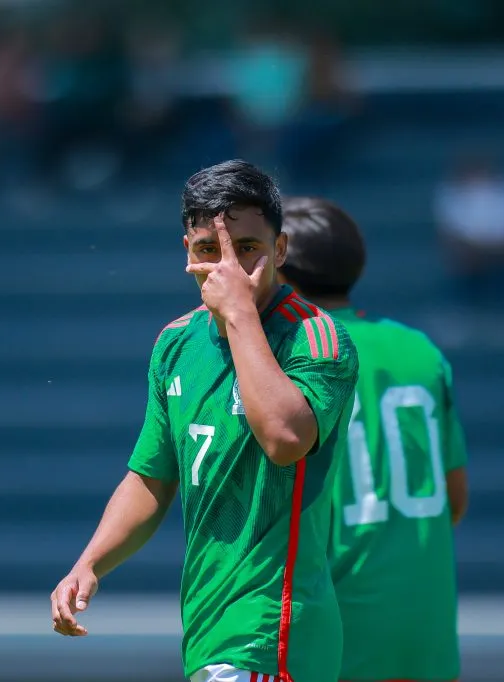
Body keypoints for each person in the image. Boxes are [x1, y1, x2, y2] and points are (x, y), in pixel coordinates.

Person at [50, 160, 359, 682]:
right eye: (209, 250)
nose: (228, 270)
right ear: (187, 254)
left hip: (273, 633)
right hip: (207, 631)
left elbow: (286, 439)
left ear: (280, 250)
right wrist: (90, 563)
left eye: (248, 249)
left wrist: (238, 314)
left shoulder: (315, 337)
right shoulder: (176, 344)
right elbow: (152, 477)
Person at [278, 197, 470, 682]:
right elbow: (455, 500)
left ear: (282, 268)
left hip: (337, 620)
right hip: (424, 625)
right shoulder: (419, 350)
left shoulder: (289, 353)